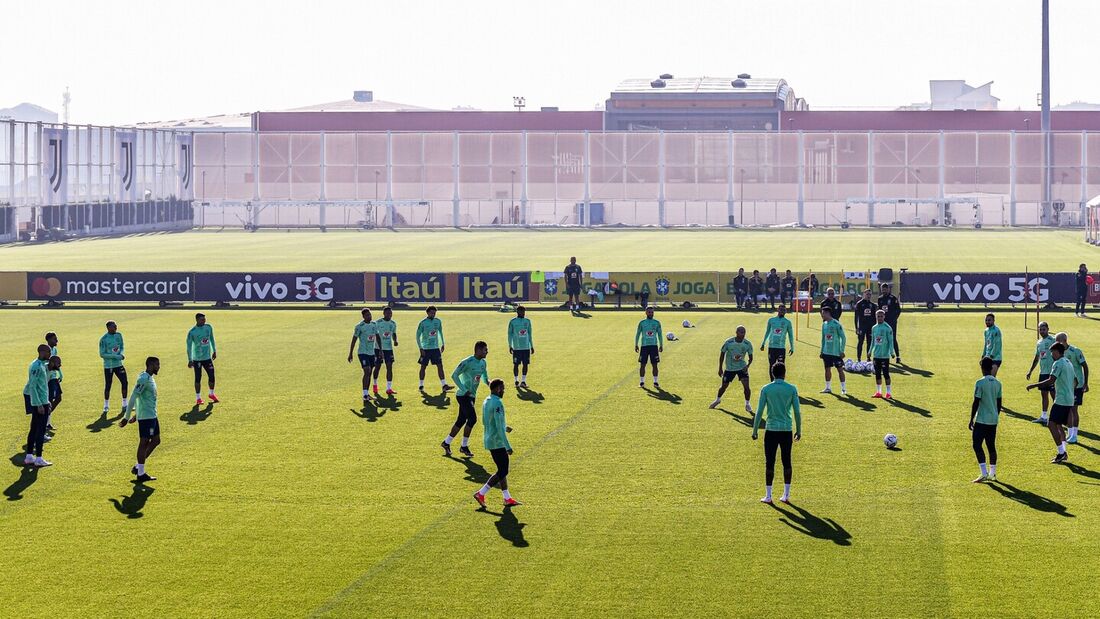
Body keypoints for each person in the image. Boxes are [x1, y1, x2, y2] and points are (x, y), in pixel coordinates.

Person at [751, 362, 801, 504]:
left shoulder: (766, 389)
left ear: (772, 373)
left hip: (771, 430)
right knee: (787, 461)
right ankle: (786, 495)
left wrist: (755, 430)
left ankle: (768, 496)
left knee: (770, 462)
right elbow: (797, 411)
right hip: (786, 430)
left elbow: (760, 411)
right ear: (784, 373)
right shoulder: (792, 389)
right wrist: (799, 430)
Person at [472, 379, 520, 508]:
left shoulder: (486, 401)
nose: (503, 391)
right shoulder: (498, 403)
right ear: (498, 388)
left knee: (501, 470)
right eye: (503, 388)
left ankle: (507, 498)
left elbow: (485, 420)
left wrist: (504, 427)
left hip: (489, 438)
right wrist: (508, 446)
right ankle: (481, 493)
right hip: (497, 441)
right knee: (503, 470)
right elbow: (498, 427)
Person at [441, 341, 489, 458]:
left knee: (461, 420)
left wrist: (490, 383)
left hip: (472, 395)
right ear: (478, 350)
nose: (487, 352)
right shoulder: (467, 362)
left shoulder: (483, 362)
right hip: (463, 396)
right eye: (485, 350)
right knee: (472, 419)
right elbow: (454, 375)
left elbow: (484, 376)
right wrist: (463, 389)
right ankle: (464, 446)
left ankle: (446, 443)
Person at [1027, 343, 1072, 463]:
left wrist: (1034, 385)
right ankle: (1063, 452)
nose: (1051, 354)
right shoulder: (1068, 362)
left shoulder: (1058, 363)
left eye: (1053, 352)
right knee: (1058, 425)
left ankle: (1061, 453)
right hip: (1069, 398)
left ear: (1058, 352)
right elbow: (1075, 380)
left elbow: (1051, 380)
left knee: (1051, 424)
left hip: (1061, 400)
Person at [119, 357, 161, 483]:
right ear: (151, 364)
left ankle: (138, 467)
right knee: (144, 442)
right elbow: (133, 397)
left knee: (156, 440)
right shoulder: (143, 379)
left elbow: (142, 399)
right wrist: (126, 417)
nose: (159, 367)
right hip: (147, 418)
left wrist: (136, 415)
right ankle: (140, 473)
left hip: (151, 415)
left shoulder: (149, 378)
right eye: (157, 364)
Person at [970, 357, 1003, 482]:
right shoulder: (997, 383)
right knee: (991, 446)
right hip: (993, 419)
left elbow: (976, 402)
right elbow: (999, 403)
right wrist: (996, 415)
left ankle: (984, 473)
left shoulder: (980, 382)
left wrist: (971, 418)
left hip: (982, 420)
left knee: (977, 444)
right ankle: (992, 474)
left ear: (982, 368)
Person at [1054, 331, 1088, 444]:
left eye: (1057, 341)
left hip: (1077, 385)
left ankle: (1074, 435)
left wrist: (1085, 383)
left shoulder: (1075, 351)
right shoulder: (1060, 354)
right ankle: (1070, 433)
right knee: (1069, 409)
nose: (1055, 344)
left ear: (1063, 341)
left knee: (1074, 409)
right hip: (1067, 386)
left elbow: (1085, 366)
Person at [710, 325, 754, 412]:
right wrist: (720, 368)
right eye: (741, 332)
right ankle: (718, 400)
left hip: (742, 367)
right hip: (730, 368)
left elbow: (751, 357)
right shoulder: (728, 342)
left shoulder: (747, 344)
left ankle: (747, 404)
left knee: (746, 386)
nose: (743, 334)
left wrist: (747, 366)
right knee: (724, 386)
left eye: (744, 332)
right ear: (736, 332)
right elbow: (722, 354)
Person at [22, 344, 53, 467]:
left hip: (42, 402)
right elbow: (33, 386)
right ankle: (39, 458)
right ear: (42, 352)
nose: (50, 355)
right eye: (48, 352)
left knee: (34, 429)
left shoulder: (40, 364)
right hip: (39, 404)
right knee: (40, 430)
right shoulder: (36, 366)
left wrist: (47, 401)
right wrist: (40, 404)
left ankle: (29, 456)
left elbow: (41, 386)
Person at [1025, 321, 1057, 425]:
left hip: (1052, 372)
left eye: (1044, 329)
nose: (1042, 331)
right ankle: (1044, 416)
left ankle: (1059, 417)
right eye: (1040, 329)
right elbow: (1037, 357)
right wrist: (1030, 371)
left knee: (1054, 395)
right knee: (1044, 394)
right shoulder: (1039, 343)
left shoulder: (1053, 340)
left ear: (1048, 329)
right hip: (1043, 372)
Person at [417, 306, 454, 392]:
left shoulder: (438, 321)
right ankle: (421, 385)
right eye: (431, 313)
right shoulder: (423, 323)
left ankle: (444, 385)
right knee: (423, 367)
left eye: (434, 313)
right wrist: (420, 348)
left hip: (435, 348)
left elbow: (440, 333)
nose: (433, 314)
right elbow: (417, 336)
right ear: (427, 313)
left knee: (440, 366)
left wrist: (442, 344)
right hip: (425, 348)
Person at [186, 312, 218, 406]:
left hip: (207, 358)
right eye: (202, 319)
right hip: (197, 359)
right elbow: (188, 346)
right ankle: (198, 398)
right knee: (198, 378)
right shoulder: (192, 332)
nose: (204, 321)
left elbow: (211, 338)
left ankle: (211, 394)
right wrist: (190, 359)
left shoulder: (208, 327)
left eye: (205, 319)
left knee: (212, 375)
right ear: (197, 320)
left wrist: (214, 350)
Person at [347, 308, 379, 404]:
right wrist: (350, 353)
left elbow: (377, 337)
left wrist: (380, 350)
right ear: (363, 316)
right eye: (367, 315)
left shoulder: (374, 325)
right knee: (367, 370)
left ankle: (366, 394)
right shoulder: (359, 326)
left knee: (369, 373)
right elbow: (354, 339)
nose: (369, 316)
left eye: (370, 314)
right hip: (362, 352)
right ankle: (364, 394)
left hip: (371, 353)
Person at [99, 320, 128, 414]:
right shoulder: (104, 339)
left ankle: (124, 404)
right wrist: (114, 356)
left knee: (125, 382)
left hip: (119, 364)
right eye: (114, 327)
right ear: (108, 328)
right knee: (108, 385)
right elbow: (102, 354)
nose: (116, 328)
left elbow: (122, 346)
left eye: (116, 326)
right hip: (109, 366)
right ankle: (106, 405)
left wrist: (121, 354)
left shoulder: (119, 335)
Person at [760, 305, 795, 381]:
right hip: (772, 347)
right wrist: (763, 343)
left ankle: (781, 381)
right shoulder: (771, 320)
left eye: (784, 310)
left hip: (781, 348)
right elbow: (767, 332)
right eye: (781, 309)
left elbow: (791, 335)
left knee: (781, 366)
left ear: (786, 311)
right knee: (771, 365)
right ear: (777, 310)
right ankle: (772, 382)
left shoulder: (787, 322)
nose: (782, 311)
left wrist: (792, 347)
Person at [819, 307, 847, 394]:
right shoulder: (824, 324)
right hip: (826, 352)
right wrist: (822, 351)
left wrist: (841, 350)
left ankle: (843, 389)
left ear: (827, 313)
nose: (821, 315)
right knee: (827, 369)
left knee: (840, 370)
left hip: (836, 353)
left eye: (823, 313)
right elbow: (823, 339)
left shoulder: (836, 324)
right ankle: (828, 388)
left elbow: (843, 337)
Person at [372, 307, 399, 396]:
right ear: (384, 313)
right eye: (388, 313)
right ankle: (375, 385)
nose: (389, 315)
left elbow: (394, 333)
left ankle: (389, 388)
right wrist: (379, 349)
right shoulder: (378, 323)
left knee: (389, 367)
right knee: (378, 367)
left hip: (388, 349)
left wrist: (395, 340)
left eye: (391, 313)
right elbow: (375, 335)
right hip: (378, 348)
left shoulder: (393, 323)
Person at [635, 306, 663, 388]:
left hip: (654, 346)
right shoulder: (642, 323)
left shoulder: (657, 323)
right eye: (649, 312)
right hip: (644, 346)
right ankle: (641, 382)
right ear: (646, 313)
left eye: (652, 312)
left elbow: (660, 334)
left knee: (655, 365)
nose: (651, 314)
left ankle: (655, 382)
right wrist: (636, 344)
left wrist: (661, 345)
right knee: (642, 365)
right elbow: (638, 334)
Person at [870, 310, 896, 399]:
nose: (880, 318)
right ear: (875, 317)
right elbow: (873, 341)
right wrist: (870, 351)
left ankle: (888, 393)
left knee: (886, 374)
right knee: (877, 374)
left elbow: (890, 341)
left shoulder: (888, 328)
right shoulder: (874, 328)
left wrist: (892, 352)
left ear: (884, 317)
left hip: (885, 356)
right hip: (876, 355)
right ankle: (879, 392)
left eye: (881, 316)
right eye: (878, 316)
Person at [507, 305, 534, 388]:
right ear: (517, 312)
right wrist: (510, 345)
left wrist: (531, 346)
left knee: (525, 364)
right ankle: (516, 381)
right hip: (517, 347)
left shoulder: (528, 321)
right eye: (522, 312)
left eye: (524, 312)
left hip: (526, 347)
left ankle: (523, 381)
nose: (523, 313)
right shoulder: (512, 322)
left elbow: (530, 334)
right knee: (516, 364)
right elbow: (509, 334)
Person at [877, 283, 902, 364]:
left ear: (888, 289)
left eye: (885, 289)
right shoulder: (879, 299)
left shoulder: (893, 298)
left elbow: (898, 310)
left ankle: (898, 356)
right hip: (883, 323)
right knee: (882, 339)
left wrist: (894, 319)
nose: (884, 290)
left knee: (893, 339)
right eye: (882, 289)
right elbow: (879, 311)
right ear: (881, 289)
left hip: (892, 323)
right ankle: (883, 356)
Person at [853, 290, 877, 362]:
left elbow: (874, 318)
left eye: (870, 294)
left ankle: (868, 358)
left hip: (870, 327)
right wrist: (857, 328)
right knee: (860, 342)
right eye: (867, 294)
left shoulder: (872, 305)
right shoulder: (859, 304)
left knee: (869, 342)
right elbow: (856, 317)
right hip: (862, 327)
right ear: (864, 294)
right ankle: (859, 358)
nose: (868, 296)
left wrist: (874, 328)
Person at [44, 331, 61, 432]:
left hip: (54, 377)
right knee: (49, 400)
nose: (57, 341)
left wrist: (60, 373)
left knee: (58, 398)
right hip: (49, 379)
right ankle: (47, 422)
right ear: (49, 340)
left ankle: (47, 420)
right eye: (55, 339)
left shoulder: (55, 350)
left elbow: (57, 364)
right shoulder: (46, 351)